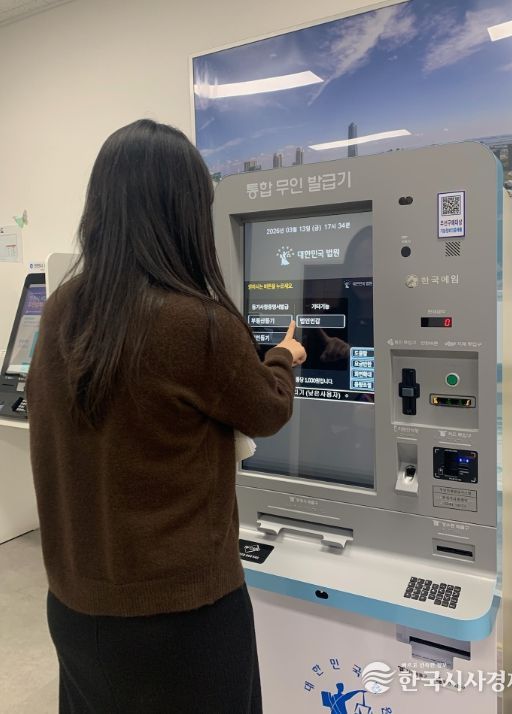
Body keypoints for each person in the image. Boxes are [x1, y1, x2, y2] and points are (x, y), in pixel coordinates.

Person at [26, 119, 306, 714]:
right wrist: (284, 356)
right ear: (186, 213)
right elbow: (268, 409)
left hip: (75, 610)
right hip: (181, 623)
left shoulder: (61, 309)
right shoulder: (196, 323)